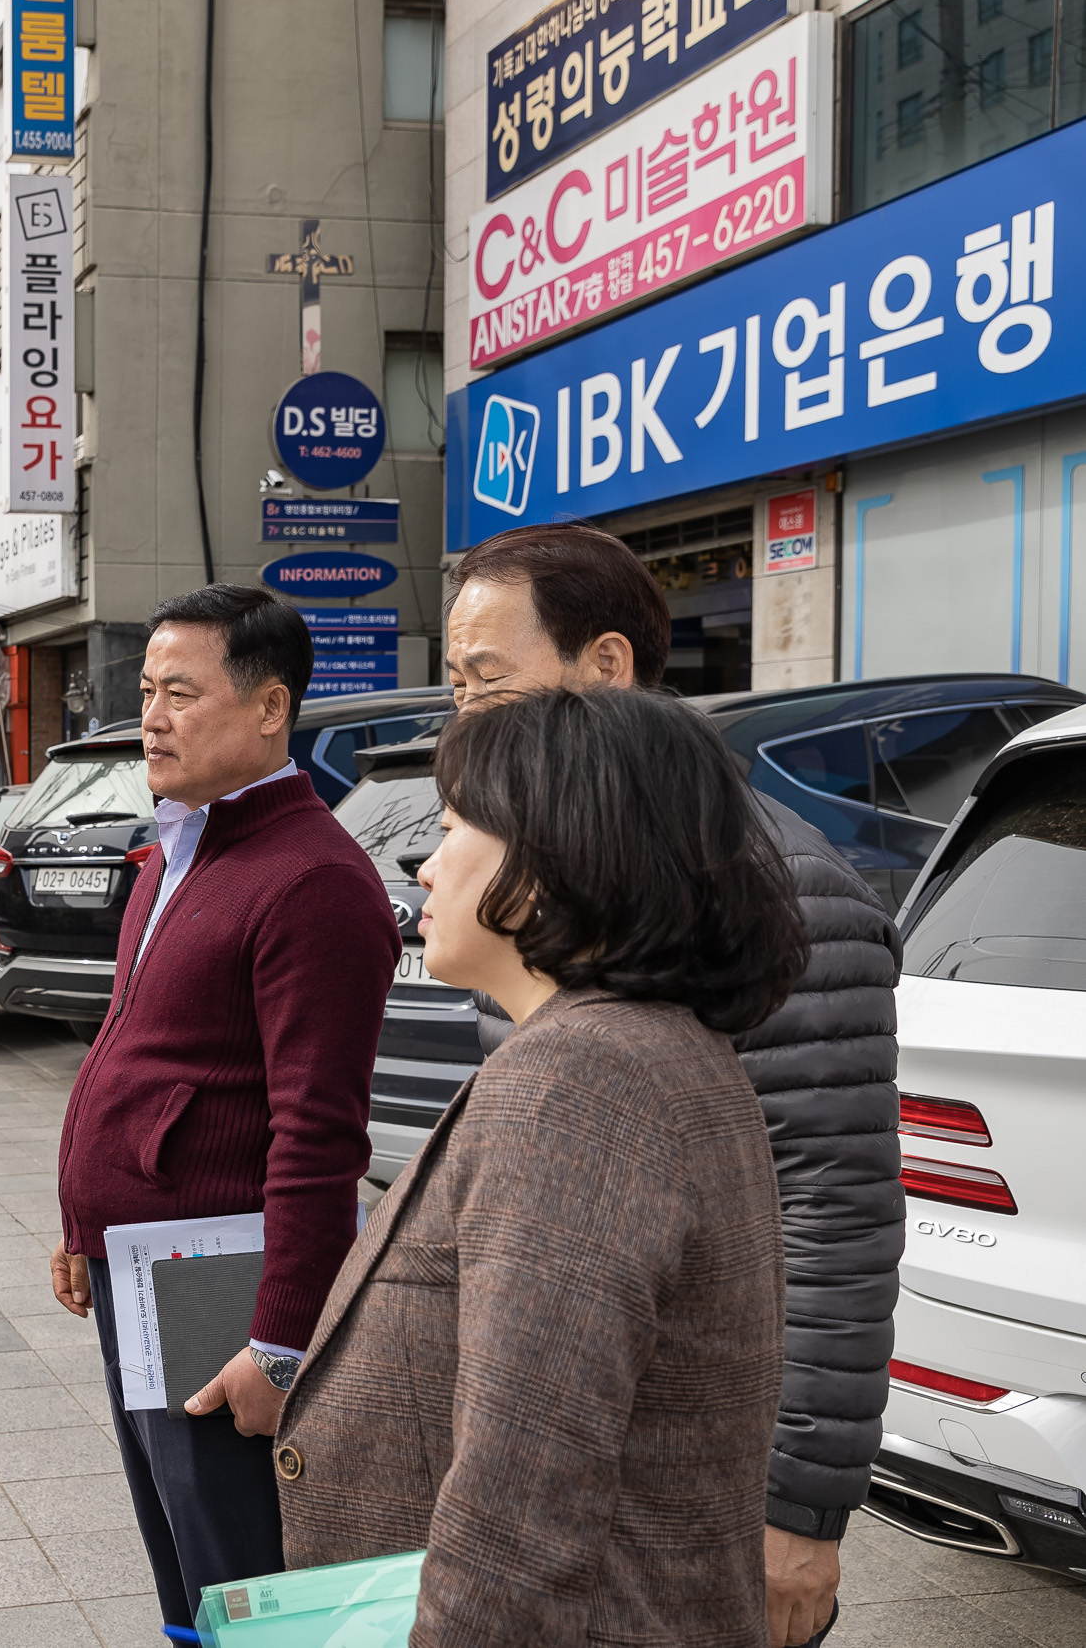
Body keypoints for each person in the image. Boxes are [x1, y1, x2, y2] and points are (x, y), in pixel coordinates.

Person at [441, 523, 903, 1647]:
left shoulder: (776, 883)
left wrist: (798, 1503)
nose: (462, 714)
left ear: (604, 666)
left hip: (692, 1472)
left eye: (487, 680)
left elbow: (834, 1207)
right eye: (453, 684)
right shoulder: (551, 871)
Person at [277, 685, 806, 1643]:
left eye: (449, 830)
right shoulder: (643, 1046)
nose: (423, 866)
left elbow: (523, 1496)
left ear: (550, 855)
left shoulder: (581, 1081)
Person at [51, 584, 399, 1623]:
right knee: (176, 1550)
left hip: (221, 1281)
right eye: (147, 689)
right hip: (141, 1264)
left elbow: (317, 1132)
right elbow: (137, 1053)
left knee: (239, 1570)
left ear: (268, 708)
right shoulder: (172, 849)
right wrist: (82, 1226)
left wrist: (281, 1338)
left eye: (182, 693)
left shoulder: (311, 881)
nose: (151, 716)